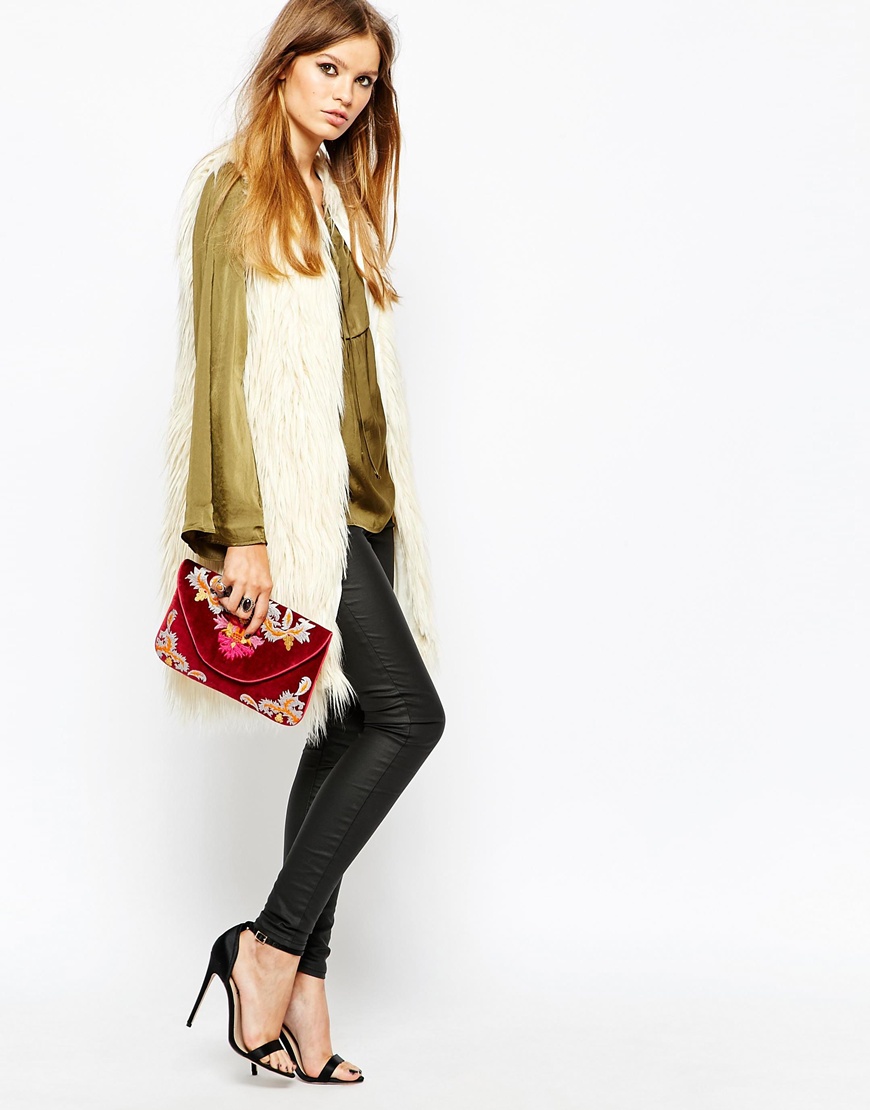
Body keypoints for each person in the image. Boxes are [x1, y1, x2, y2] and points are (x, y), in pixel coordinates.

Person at [161, 0, 446, 1084]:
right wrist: (242, 534)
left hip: (365, 502)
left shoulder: (337, 197)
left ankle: (305, 993)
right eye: (328, 69)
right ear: (283, 68)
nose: (345, 94)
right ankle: (266, 947)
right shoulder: (234, 186)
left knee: (348, 722)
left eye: (363, 81)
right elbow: (221, 376)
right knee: (411, 716)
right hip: (293, 511)